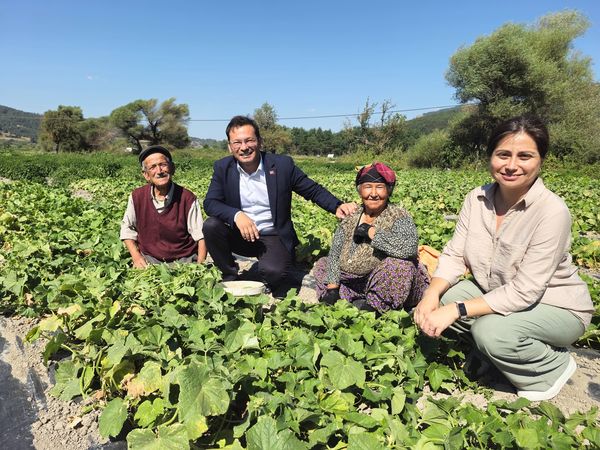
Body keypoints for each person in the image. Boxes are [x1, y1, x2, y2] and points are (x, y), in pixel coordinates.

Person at [413, 115, 593, 401]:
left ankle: (552, 367)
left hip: (556, 306)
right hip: (497, 291)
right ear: (490, 157)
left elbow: (526, 290)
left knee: (490, 330)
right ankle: (500, 352)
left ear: (541, 160)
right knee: (444, 299)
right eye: (503, 155)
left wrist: (458, 310)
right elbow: (455, 253)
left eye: (525, 156)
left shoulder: (551, 211)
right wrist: (431, 294)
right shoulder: (476, 199)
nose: (511, 165)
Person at [202, 115, 357, 295]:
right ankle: (230, 275)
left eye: (249, 140)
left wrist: (337, 205)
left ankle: (270, 265)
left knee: (274, 273)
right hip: (240, 234)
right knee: (211, 226)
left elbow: (311, 189)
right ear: (230, 146)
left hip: (272, 234)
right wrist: (237, 215)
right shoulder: (223, 167)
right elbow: (210, 203)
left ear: (259, 141)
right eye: (237, 142)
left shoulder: (282, 165)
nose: (244, 147)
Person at [313, 162, 430, 313]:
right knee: (324, 263)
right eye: (368, 186)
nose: (373, 193)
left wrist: (371, 233)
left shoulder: (399, 216)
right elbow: (335, 252)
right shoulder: (351, 216)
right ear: (360, 190)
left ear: (389, 190)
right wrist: (332, 289)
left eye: (380, 187)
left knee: (400, 266)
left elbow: (408, 248)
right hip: (353, 282)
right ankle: (346, 298)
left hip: (385, 282)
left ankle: (377, 306)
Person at [120, 145, 207, 267]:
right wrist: (136, 257)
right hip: (149, 260)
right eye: (153, 167)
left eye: (163, 165)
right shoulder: (137, 197)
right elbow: (127, 229)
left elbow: (201, 237)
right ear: (146, 175)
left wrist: (200, 267)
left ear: (172, 168)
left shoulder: (187, 198)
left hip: (183, 261)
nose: (159, 171)